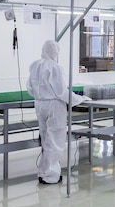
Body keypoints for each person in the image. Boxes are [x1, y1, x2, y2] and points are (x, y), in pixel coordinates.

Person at [26, 40, 89, 184]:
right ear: (54, 52)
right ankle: (52, 176)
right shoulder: (55, 67)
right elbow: (61, 91)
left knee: (45, 138)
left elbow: (29, 87)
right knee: (55, 140)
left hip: (40, 104)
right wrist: (79, 99)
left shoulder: (35, 65)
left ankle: (43, 172)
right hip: (54, 106)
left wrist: (41, 96)